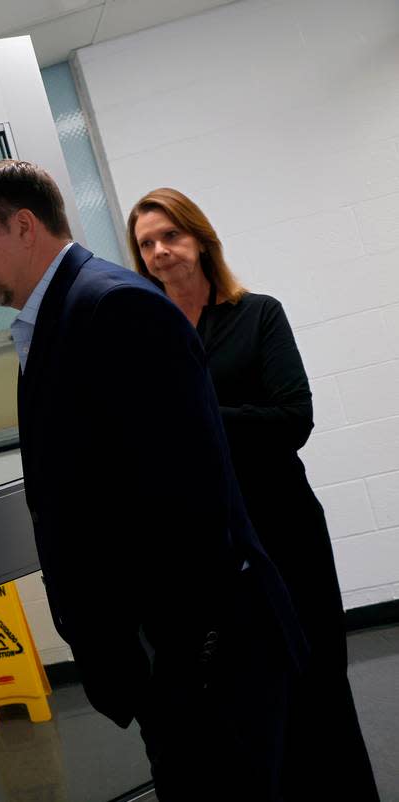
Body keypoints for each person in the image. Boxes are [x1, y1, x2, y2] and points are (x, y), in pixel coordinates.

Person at [0, 160, 307, 801]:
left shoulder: (113, 308)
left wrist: (178, 659)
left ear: (23, 226)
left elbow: (191, 500)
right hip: (175, 656)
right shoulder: (57, 317)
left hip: (203, 657)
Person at [128, 187, 379, 801]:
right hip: (207, 547)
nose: (161, 252)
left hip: (284, 527)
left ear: (200, 239)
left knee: (318, 677)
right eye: (146, 244)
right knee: (250, 697)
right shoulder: (143, 334)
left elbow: (293, 418)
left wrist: (198, 415)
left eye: (170, 236)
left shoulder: (258, 314)